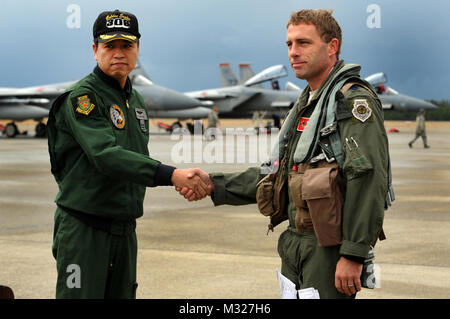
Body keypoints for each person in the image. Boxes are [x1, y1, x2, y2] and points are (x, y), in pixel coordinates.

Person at [178, 9, 392, 299]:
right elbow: (277, 175)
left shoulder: (352, 101)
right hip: (295, 242)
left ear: (332, 47)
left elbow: (367, 178)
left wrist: (353, 253)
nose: (293, 52)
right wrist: (214, 183)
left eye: (303, 43)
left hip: (328, 249)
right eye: (289, 44)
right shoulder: (308, 104)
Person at [47, 10, 209, 299]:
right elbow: (106, 155)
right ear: (95, 50)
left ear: (137, 49)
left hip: (123, 229)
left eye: (127, 45)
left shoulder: (134, 100)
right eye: (110, 46)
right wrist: (172, 175)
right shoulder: (83, 98)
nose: (119, 53)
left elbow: (133, 156)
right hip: (84, 229)